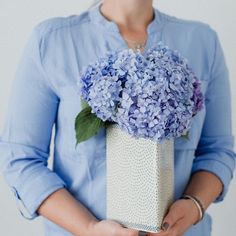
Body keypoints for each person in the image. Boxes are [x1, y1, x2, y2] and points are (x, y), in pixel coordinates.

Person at [0, 0, 235, 235]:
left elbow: (218, 150)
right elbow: (21, 159)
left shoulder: (203, 41)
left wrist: (194, 205)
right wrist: (89, 228)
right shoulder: (52, 41)